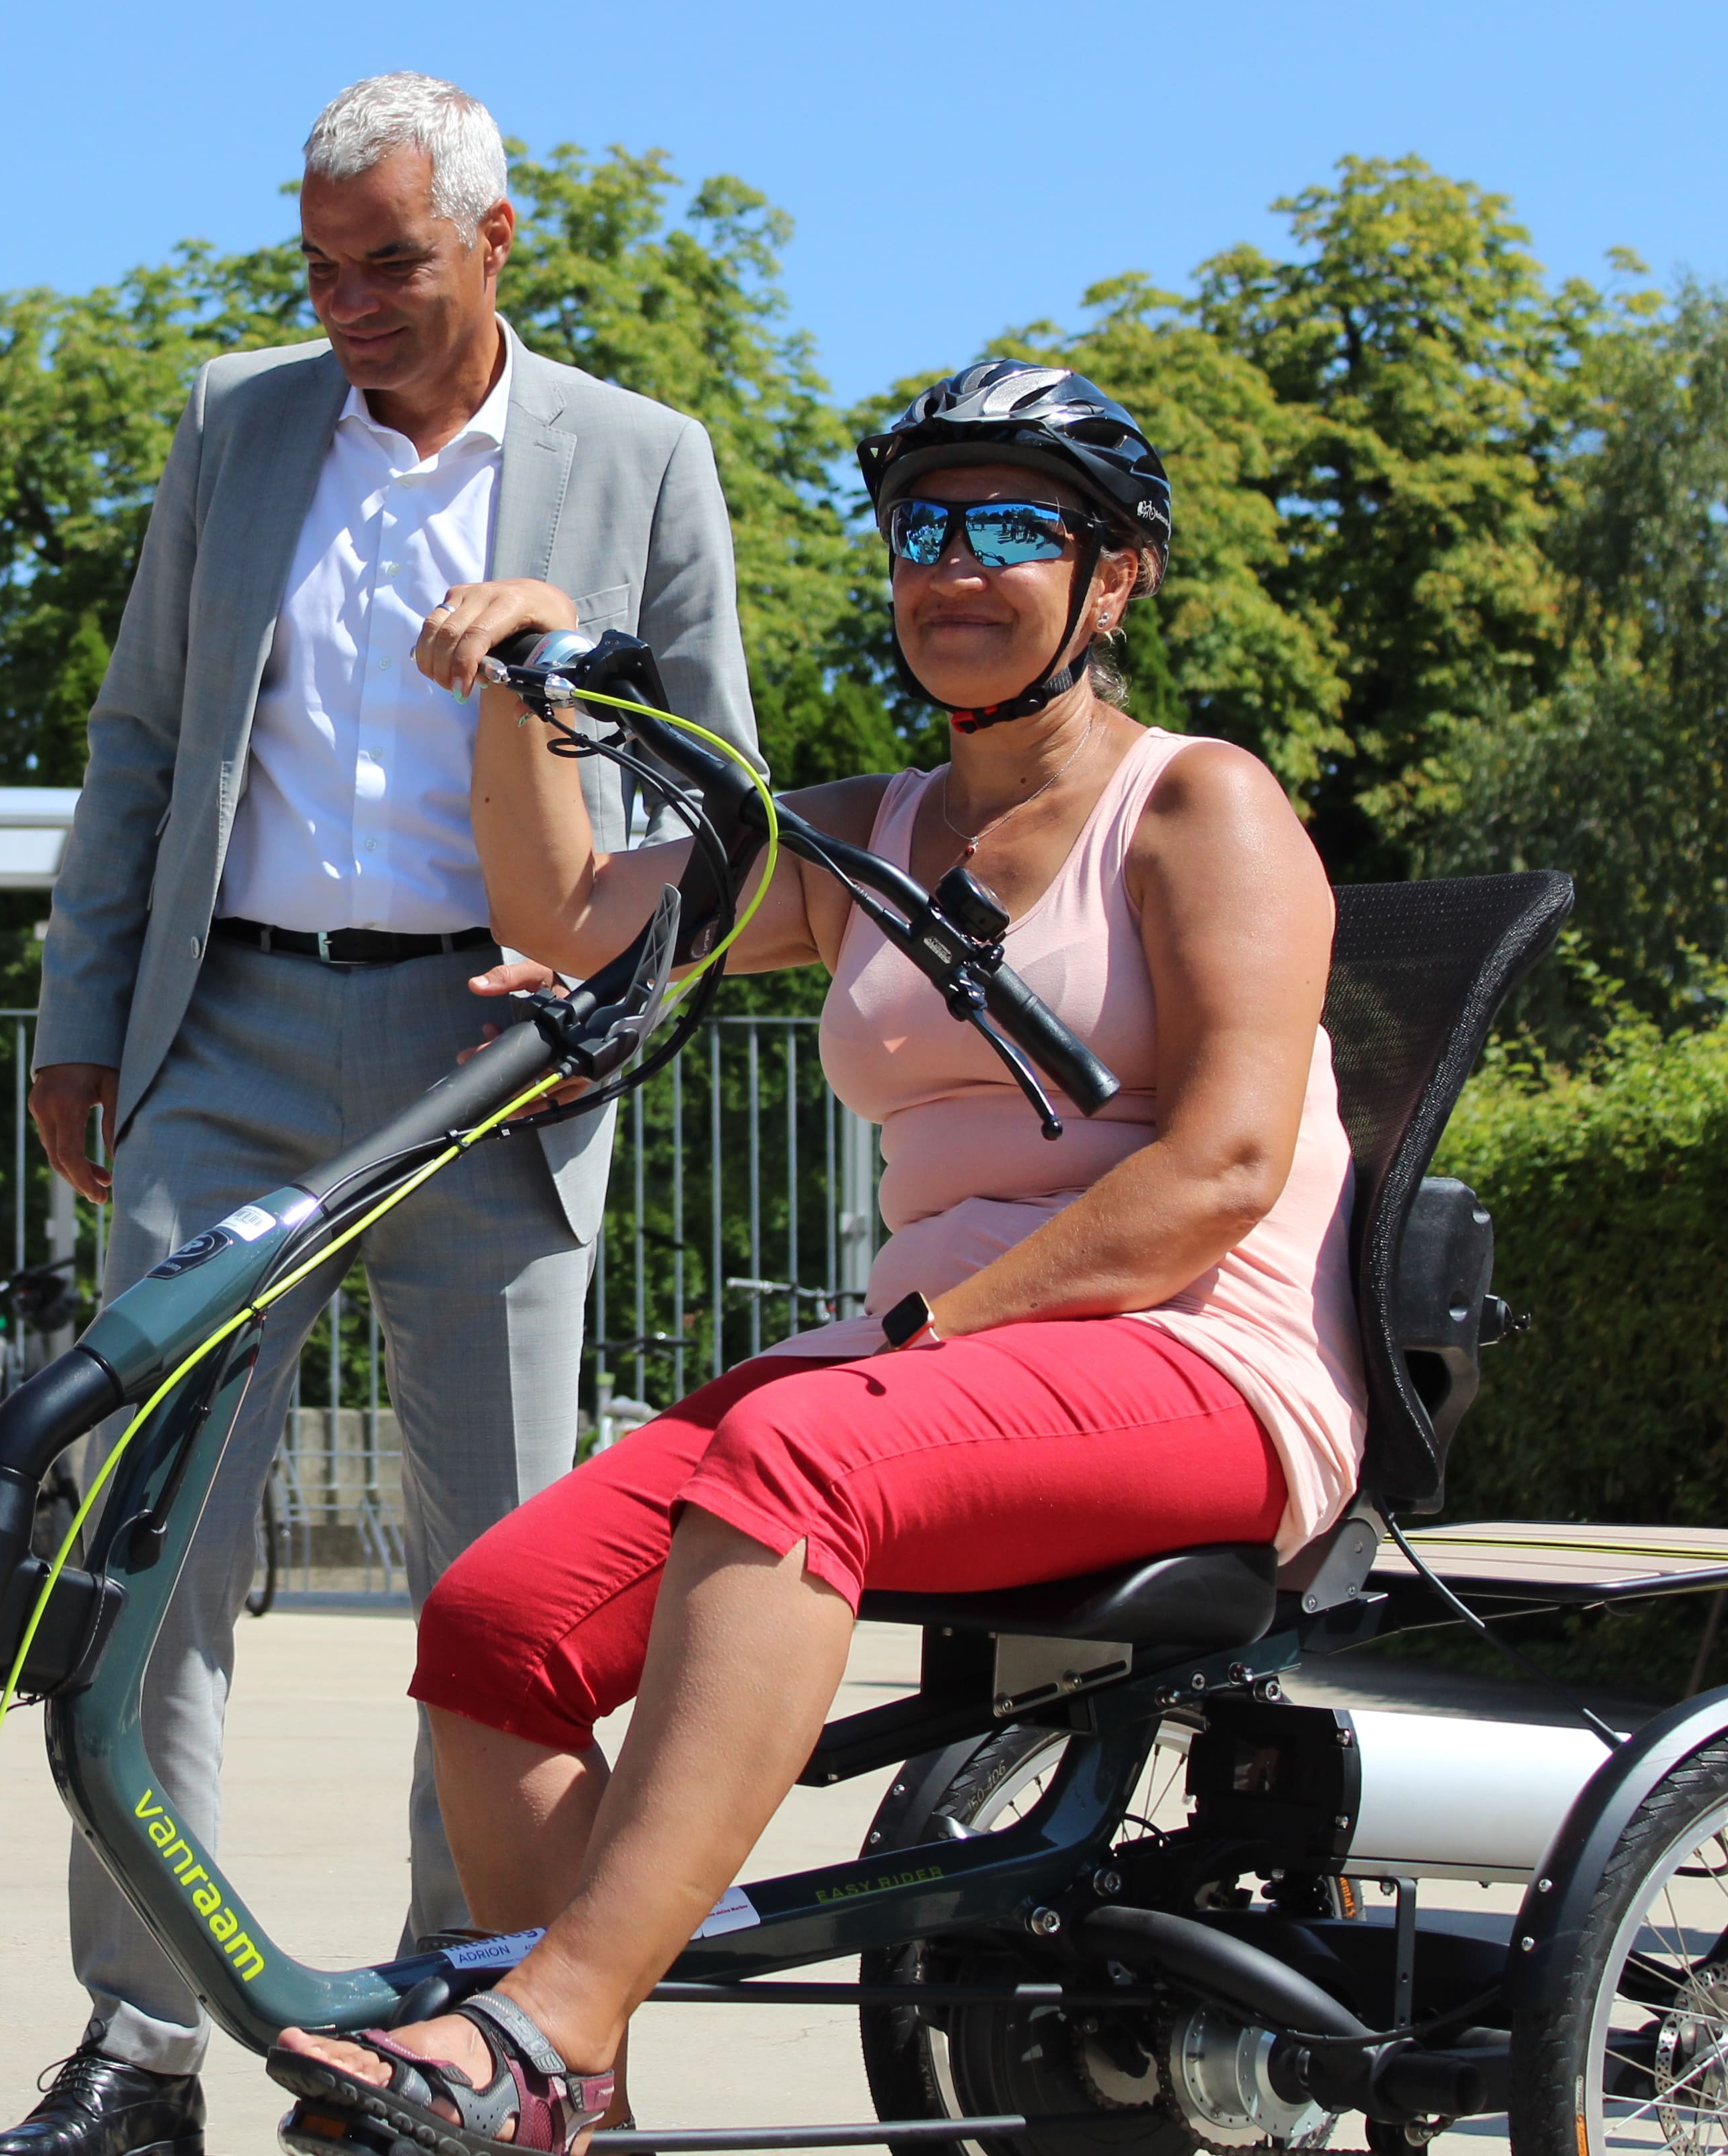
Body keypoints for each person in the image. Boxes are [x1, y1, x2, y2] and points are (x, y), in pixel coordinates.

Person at [267, 363, 1363, 2154]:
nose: (953, 565)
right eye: (924, 525)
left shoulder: (1197, 807)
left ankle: (545, 2025)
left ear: (1116, 577)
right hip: (936, 1368)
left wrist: (941, 1330)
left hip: (1199, 1358)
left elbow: (1224, 1167)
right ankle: (575, 2101)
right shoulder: (866, 835)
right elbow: (566, 917)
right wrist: (531, 675)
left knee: (796, 1451)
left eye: (1011, 526)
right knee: (499, 1621)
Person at [9, 72, 756, 2156]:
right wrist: (88, 1021)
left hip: (491, 1059)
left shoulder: (642, 459)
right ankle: (137, 2049)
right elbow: (144, 734)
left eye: (391, 265)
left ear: (498, 242)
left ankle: (446, 2036)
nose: (344, 304)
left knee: (501, 1585)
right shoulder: (236, 426)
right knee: (154, 1555)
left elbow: (720, 793)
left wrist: (612, 1012)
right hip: (226, 1048)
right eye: (320, 264)